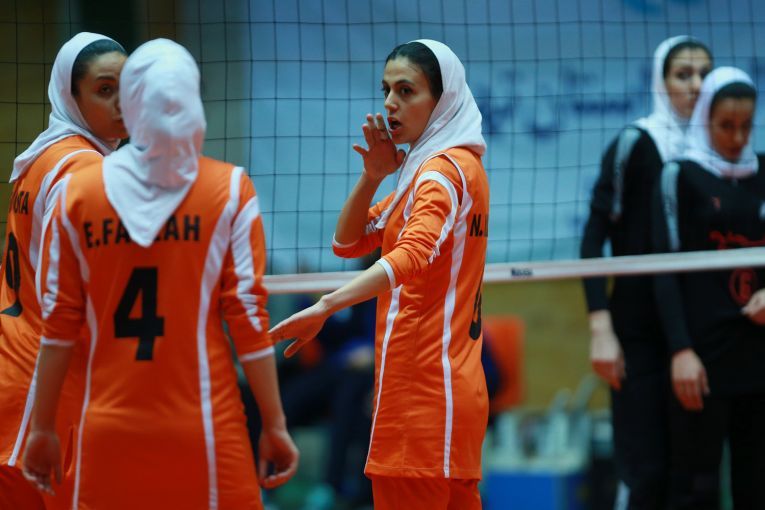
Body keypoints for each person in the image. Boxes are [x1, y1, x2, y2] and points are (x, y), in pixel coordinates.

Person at [21, 38, 298, 509]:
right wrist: (274, 423)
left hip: (106, 429)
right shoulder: (230, 190)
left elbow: (60, 324)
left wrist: (43, 427)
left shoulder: (76, 192)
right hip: (204, 426)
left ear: (131, 102)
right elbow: (248, 319)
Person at [270, 39, 489, 510]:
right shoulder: (454, 167)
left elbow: (410, 256)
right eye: (386, 90)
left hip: (419, 396)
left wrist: (326, 305)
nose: (390, 103)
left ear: (443, 99)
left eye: (406, 91)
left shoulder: (438, 175)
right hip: (454, 396)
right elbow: (347, 242)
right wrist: (373, 175)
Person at [580, 35, 712, 509]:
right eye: (683, 74)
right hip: (637, 332)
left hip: (698, 331)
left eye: (704, 75)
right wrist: (601, 329)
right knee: (645, 472)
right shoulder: (635, 143)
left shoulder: (717, 155)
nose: (695, 85)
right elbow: (593, 239)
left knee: (694, 478)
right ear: (661, 81)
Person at [0, 32, 128, 509]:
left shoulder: (42, 157)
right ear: (71, 97)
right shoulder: (85, 171)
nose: (122, 104)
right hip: (44, 396)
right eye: (105, 90)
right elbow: (72, 301)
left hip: (13, 372)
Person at [653, 67, 765, 509]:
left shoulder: (763, 172)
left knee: (756, 486)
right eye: (725, 126)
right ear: (704, 119)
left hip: (758, 357)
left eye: (746, 126)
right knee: (695, 489)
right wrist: (681, 349)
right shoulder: (678, 175)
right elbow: (662, 270)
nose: (737, 137)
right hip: (700, 359)